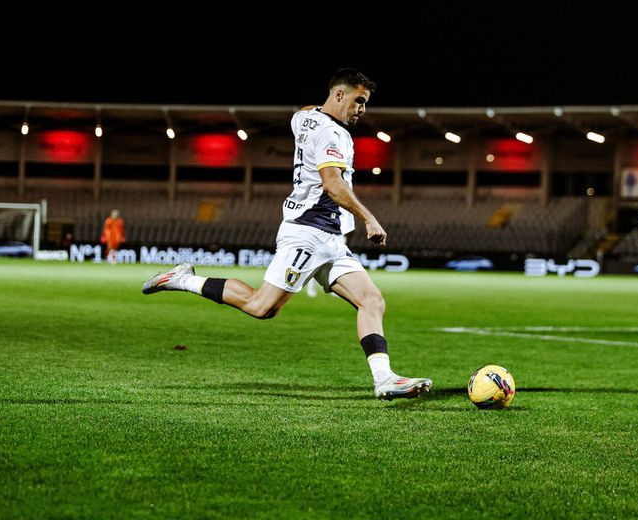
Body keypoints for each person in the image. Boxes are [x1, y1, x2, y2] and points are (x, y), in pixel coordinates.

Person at [142, 68, 432, 400]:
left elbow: (307, 111)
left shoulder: (303, 119)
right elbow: (332, 184)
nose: (362, 110)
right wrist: (369, 218)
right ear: (339, 95)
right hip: (308, 234)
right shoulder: (333, 136)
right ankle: (182, 279)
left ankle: (385, 379)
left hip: (332, 240)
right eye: (358, 100)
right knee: (261, 306)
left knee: (372, 300)